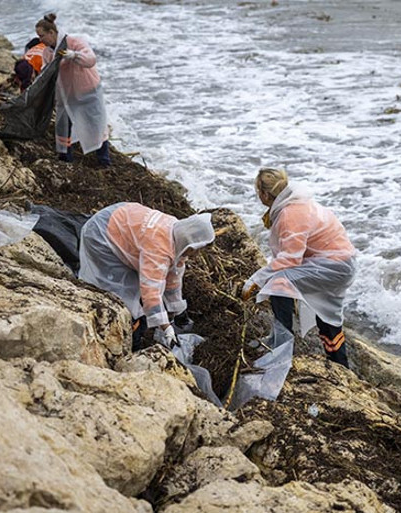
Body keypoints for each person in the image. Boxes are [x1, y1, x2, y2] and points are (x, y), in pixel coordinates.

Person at [241, 168, 357, 368]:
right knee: (326, 314)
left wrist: (256, 280)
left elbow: (289, 260)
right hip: (336, 262)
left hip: (334, 266)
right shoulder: (294, 201)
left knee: (279, 283)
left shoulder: (290, 213)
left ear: (265, 194)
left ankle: (282, 348)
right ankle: (339, 364)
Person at [78, 203, 215, 350]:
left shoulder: (176, 231)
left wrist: (179, 310)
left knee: (141, 287)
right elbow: (151, 292)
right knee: (124, 293)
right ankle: (132, 335)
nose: (197, 255)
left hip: (119, 217)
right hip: (101, 234)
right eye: (197, 250)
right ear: (190, 244)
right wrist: (166, 328)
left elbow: (173, 277)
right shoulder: (158, 249)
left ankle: (137, 324)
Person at [35, 13, 110, 167]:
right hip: (65, 95)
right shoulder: (47, 52)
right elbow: (45, 71)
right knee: (63, 125)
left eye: (42, 35)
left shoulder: (74, 42)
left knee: (96, 124)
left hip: (88, 91)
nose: (40, 40)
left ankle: (104, 161)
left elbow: (91, 59)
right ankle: (65, 158)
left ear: (51, 33)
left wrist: (74, 55)